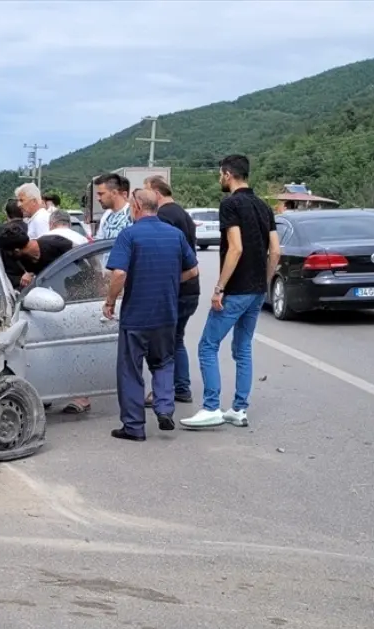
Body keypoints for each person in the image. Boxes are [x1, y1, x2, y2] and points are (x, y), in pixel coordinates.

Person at [181, 154, 280, 430]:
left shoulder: (230, 204)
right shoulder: (264, 206)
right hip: (257, 290)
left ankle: (211, 407)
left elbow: (235, 248)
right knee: (243, 348)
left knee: (207, 346)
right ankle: (239, 409)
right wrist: (264, 282)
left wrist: (219, 287)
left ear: (227, 174)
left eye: (219, 174)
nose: (219, 179)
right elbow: (276, 251)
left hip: (235, 291)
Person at [103, 188, 200, 441]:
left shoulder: (129, 235)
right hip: (167, 313)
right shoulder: (175, 235)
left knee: (131, 369)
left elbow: (119, 274)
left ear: (135, 206)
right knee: (164, 362)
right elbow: (193, 271)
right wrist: (168, 282)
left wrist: (110, 300)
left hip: (136, 316)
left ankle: (134, 427)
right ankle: (165, 408)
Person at [145, 174, 199, 405]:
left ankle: (165, 389)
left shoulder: (164, 216)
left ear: (156, 193)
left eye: (146, 193)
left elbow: (164, 254)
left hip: (174, 288)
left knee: (165, 341)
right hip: (189, 288)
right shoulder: (182, 213)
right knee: (176, 339)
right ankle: (181, 387)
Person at [0, 220, 73, 290]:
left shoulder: (56, 244)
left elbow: (78, 259)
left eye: (8, 252)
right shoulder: (23, 260)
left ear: (17, 251)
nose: (8, 255)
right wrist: (31, 275)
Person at [0, 199, 29, 290]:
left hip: (6, 279)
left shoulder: (0, 230)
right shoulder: (29, 228)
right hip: (27, 279)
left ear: (7, 214)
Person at [94, 173, 132, 239]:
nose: (98, 198)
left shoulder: (132, 214)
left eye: (101, 194)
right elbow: (99, 242)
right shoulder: (106, 215)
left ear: (114, 193)